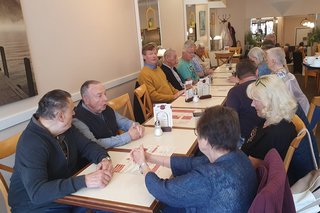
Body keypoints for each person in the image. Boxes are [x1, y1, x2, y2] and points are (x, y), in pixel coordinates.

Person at [131, 106, 257, 212]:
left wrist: (143, 165)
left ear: (206, 140)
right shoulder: (235, 153)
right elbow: (190, 163)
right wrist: (149, 157)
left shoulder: (208, 178)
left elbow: (163, 190)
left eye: (198, 134)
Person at [8, 89, 113, 212]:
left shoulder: (66, 128)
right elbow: (38, 193)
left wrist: (103, 158)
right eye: (72, 110)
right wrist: (84, 180)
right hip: (36, 206)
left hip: (65, 195)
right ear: (61, 116)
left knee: (108, 205)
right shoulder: (31, 143)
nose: (74, 113)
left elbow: (88, 146)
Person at [241, 75, 297, 169]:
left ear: (270, 101)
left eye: (256, 100)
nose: (252, 104)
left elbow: (249, 169)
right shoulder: (271, 119)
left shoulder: (274, 134)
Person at [73, 80, 144, 149]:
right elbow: (94, 143)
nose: (105, 99)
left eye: (105, 94)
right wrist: (128, 136)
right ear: (86, 99)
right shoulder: (78, 118)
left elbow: (122, 122)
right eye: (99, 96)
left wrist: (135, 126)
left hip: (116, 150)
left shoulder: (105, 108)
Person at [225, 59, 264, 141]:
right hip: (266, 134)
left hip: (246, 138)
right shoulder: (266, 85)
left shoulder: (234, 92)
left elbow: (230, 122)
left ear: (237, 76)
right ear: (257, 72)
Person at [266, 47, 309, 115]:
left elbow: (285, 104)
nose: (266, 61)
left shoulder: (282, 77)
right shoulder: (281, 72)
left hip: (297, 112)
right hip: (293, 107)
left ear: (273, 61)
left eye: (267, 59)